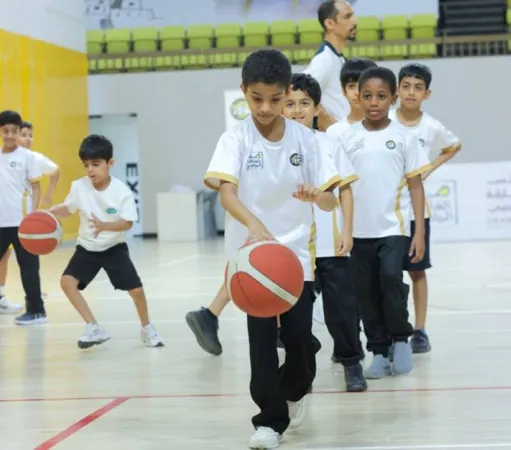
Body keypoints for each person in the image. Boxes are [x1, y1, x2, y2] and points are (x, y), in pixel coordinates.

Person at [203, 49, 340, 449]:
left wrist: (317, 195)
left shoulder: (307, 141)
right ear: (243, 91)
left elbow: (330, 200)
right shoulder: (235, 139)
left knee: (299, 344)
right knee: (261, 343)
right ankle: (268, 420)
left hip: (296, 259)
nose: (265, 108)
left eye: (275, 99)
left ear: (287, 93)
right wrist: (254, 226)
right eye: (256, 98)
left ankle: (293, 389)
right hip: (252, 259)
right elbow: (227, 194)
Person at [339, 67, 430, 379]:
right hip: (357, 233)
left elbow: (416, 186)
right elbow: (341, 187)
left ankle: (401, 339)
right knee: (366, 293)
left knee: (391, 280)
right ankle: (378, 351)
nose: (374, 102)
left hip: (393, 229)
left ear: (393, 98)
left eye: (381, 96)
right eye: (367, 96)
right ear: (358, 98)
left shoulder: (405, 138)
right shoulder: (347, 138)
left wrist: (419, 232)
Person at [282, 72, 366, 392]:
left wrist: (348, 230)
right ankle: (302, 369)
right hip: (293, 246)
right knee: (295, 315)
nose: (297, 110)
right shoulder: (275, 147)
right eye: (290, 103)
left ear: (317, 108)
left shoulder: (329, 144)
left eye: (304, 103)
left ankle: (351, 362)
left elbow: (345, 190)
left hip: (331, 245)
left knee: (341, 310)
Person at [50, 135, 164, 349]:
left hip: (113, 248)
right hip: (87, 248)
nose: (90, 170)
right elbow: (68, 208)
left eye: (96, 164)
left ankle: (147, 328)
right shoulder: (78, 187)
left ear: (110, 163)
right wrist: (52, 212)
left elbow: (127, 223)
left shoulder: (121, 191)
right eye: (86, 165)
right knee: (67, 282)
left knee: (137, 291)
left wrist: (104, 226)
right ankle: (94, 327)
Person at [390, 63, 461, 354]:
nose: (411, 92)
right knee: (388, 277)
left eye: (418, 88)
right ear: (397, 90)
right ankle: (392, 331)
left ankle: (419, 330)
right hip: (385, 213)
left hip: (415, 213)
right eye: (406, 86)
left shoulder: (431, 127)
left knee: (417, 271)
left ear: (427, 94)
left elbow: (453, 145)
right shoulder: (385, 120)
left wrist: (430, 167)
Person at [312, 57, 377, 327]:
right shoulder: (334, 134)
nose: (357, 93)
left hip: (377, 222)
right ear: (343, 90)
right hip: (345, 224)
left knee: (379, 286)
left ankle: (384, 340)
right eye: (351, 86)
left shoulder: (390, 130)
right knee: (349, 287)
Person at [0, 121, 60, 310]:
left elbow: (54, 172)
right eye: (23, 135)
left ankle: (35, 305)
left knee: (27, 264)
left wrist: (48, 196)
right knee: (5, 257)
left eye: (29, 135)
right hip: (3, 219)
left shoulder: (32, 158)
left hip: (22, 220)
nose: (27, 139)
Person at [0, 110, 47, 325]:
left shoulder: (28, 157)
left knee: (29, 268)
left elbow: (36, 187)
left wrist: (33, 214)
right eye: (5, 131)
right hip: (1, 223)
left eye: (14, 131)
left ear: (19, 132)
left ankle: (36, 311)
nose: (10, 135)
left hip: (22, 224)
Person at [303, 0, 358, 131]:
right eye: (347, 17)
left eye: (353, 15)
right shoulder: (324, 59)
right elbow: (302, 92)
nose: (355, 21)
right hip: (335, 138)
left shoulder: (338, 57)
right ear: (329, 23)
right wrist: (325, 118)